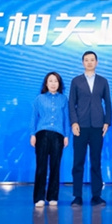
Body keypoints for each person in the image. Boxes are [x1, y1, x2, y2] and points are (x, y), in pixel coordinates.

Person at [68, 50, 112, 206]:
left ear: (97, 62)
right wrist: (74, 122)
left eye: (92, 60)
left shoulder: (103, 81)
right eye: (86, 60)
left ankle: (96, 195)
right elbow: (71, 103)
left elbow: (108, 102)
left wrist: (107, 122)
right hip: (80, 126)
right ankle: (77, 196)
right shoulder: (76, 81)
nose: (89, 62)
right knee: (78, 162)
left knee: (96, 161)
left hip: (97, 126)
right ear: (83, 63)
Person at [30, 72, 69, 208]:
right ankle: (39, 197)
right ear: (46, 83)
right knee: (41, 166)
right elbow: (34, 117)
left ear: (59, 84)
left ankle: (52, 196)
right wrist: (32, 134)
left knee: (55, 166)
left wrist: (66, 135)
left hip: (58, 135)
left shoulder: (64, 99)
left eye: (56, 81)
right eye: (50, 81)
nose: (53, 84)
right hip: (42, 134)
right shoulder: (39, 99)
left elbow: (66, 118)